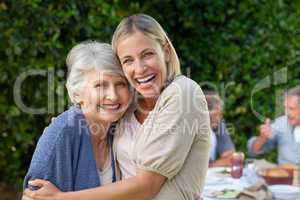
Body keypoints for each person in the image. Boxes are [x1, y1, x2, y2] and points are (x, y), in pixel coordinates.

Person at [23, 14, 211, 200]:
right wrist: (61, 129)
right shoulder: (116, 115)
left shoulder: (180, 93)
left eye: (148, 54)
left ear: (166, 52)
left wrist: (62, 198)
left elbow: (147, 185)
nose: (139, 68)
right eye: (128, 60)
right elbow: (34, 194)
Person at [22, 41, 131, 191]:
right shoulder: (62, 133)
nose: (113, 96)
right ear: (77, 93)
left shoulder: (118, 129)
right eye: (100, 85)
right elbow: (32, 196)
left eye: (121, 84)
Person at [247, 86, 300, 165]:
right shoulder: (282, 123)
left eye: (291, 109)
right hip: (284, 175)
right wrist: (262, 137)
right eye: (285, 108)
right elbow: (253, 152)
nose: (286, 113)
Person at [204, 91, 235, 167]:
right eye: (214, 115)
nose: (218, 119)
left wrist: (209, 166)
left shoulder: (217, 125)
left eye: (220, 115)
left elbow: (230, 157)